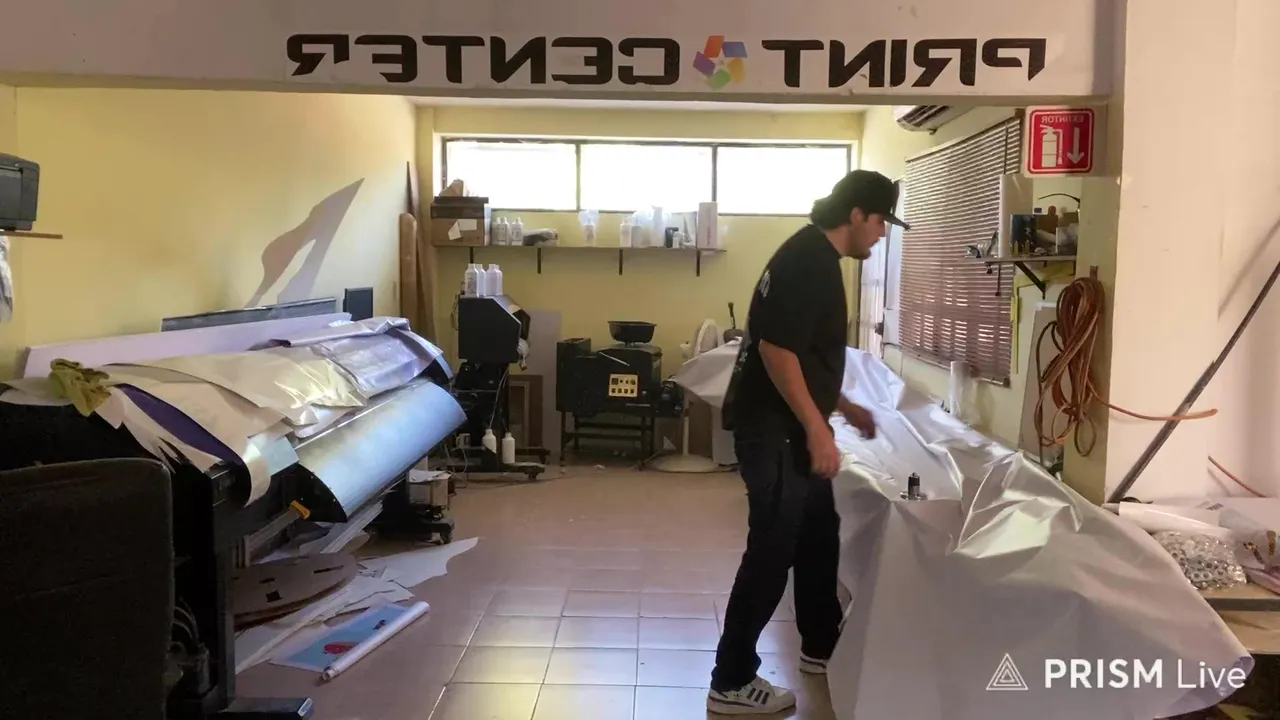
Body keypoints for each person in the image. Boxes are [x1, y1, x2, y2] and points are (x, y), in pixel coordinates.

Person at [706, 170, 909, 715]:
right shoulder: (809, 263)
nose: (882, 234)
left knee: (819, 533)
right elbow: (776, 351)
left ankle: (821, 645)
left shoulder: (814, 256)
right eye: (880, 222)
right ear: (857, 215)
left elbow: (803, 351)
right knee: (772, 548)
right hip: (774, 430)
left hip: (787, 426)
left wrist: (841, 405)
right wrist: (818, 429)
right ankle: (730, 680)